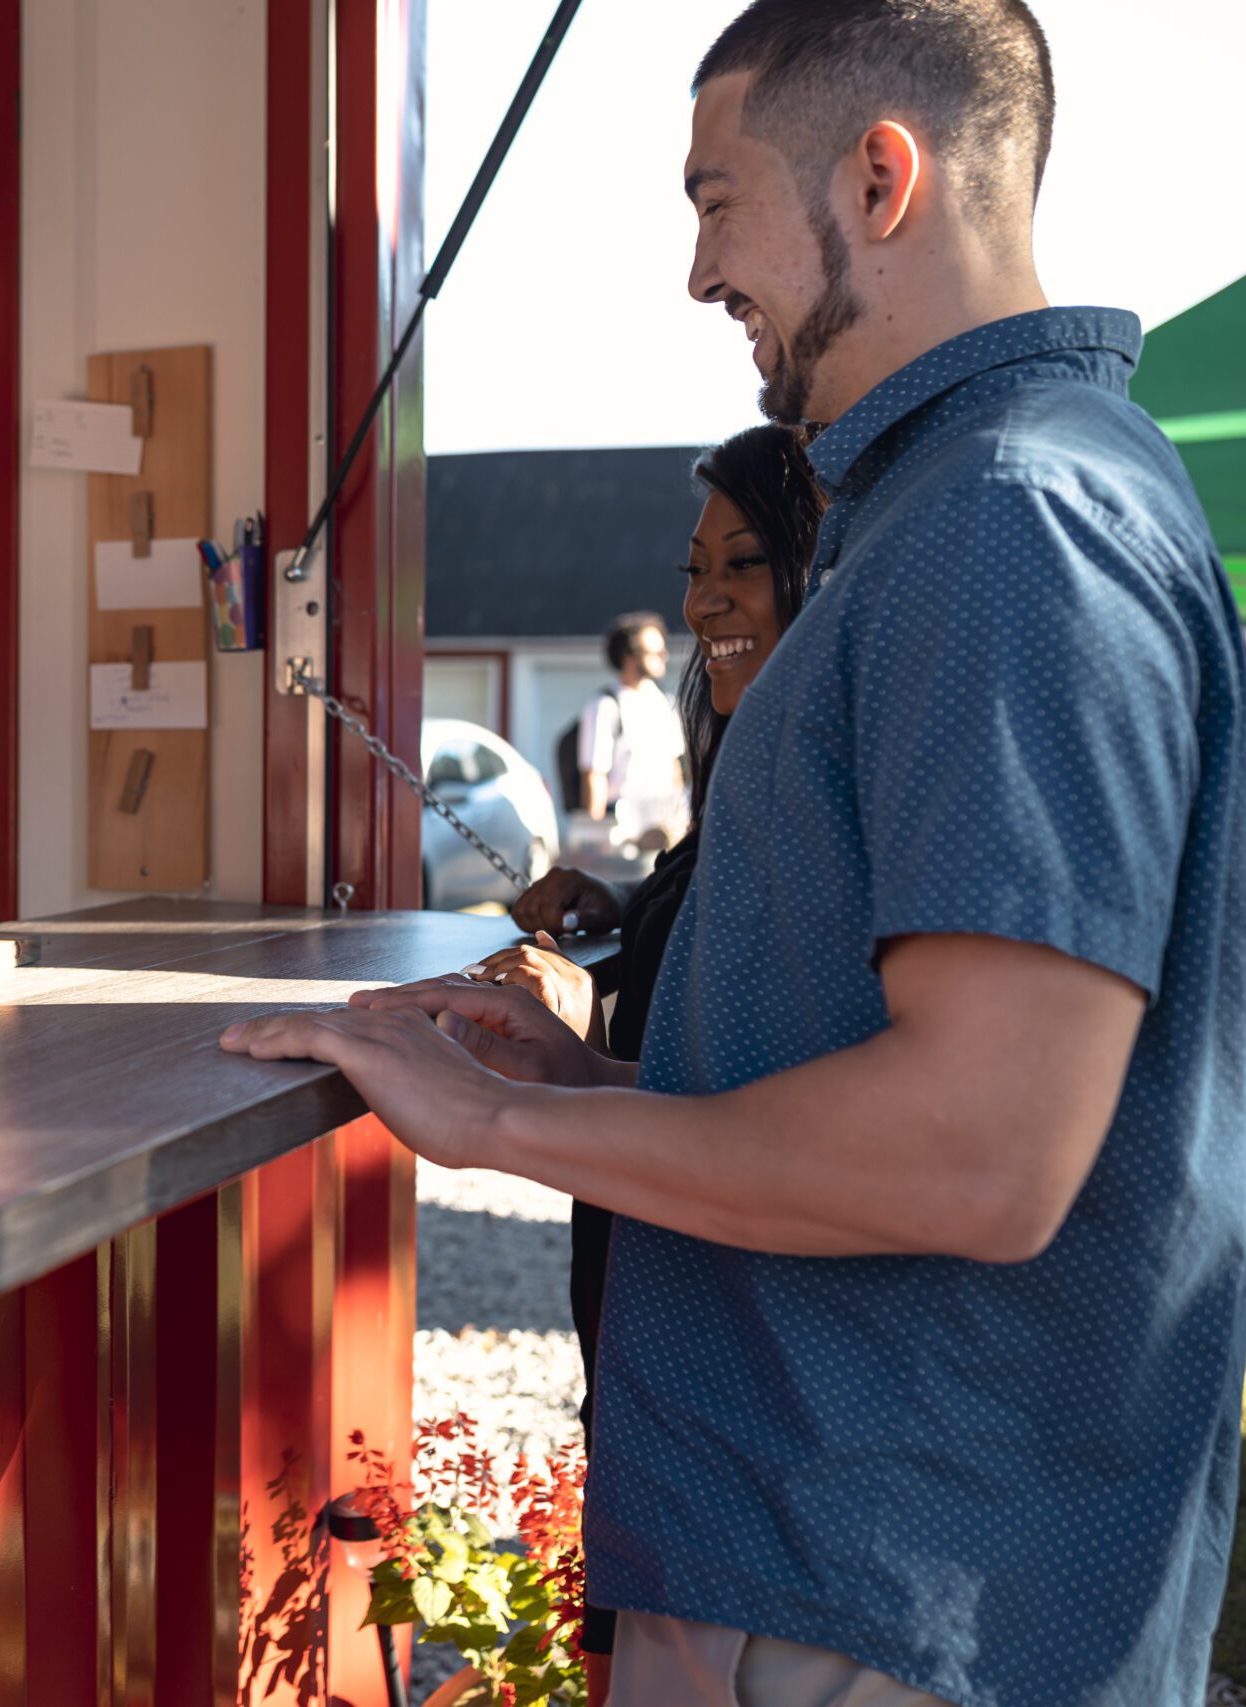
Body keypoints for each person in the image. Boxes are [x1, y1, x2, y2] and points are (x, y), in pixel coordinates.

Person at [222, 3, 1246, 1703]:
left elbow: (981, 1150)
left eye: (715, 201)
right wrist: (598, 1074)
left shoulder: (1011, 515)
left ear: (881, 174)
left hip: (875, 1583)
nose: (697, 272)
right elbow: (867, 1054)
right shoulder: (968, 500)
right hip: (859, 1566)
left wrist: (502, 1122)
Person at [471, 422, 822, 1684]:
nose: (705, 598)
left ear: (823, 572)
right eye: (692, 568)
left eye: (746, 562)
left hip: (723, 1351)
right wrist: (623, 904)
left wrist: (570, 1048)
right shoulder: (748, 759)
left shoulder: (825, 777)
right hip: (647, 1280)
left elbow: (783, 1091)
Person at [560, 612, 687, 856]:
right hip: (620, 834)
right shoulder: (605, 706)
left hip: (662, 831)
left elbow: (675, 770)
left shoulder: (664, 704)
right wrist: (595, 844)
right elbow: (594, 776)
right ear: (628, 657)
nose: (664, 656)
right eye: (654, 652)